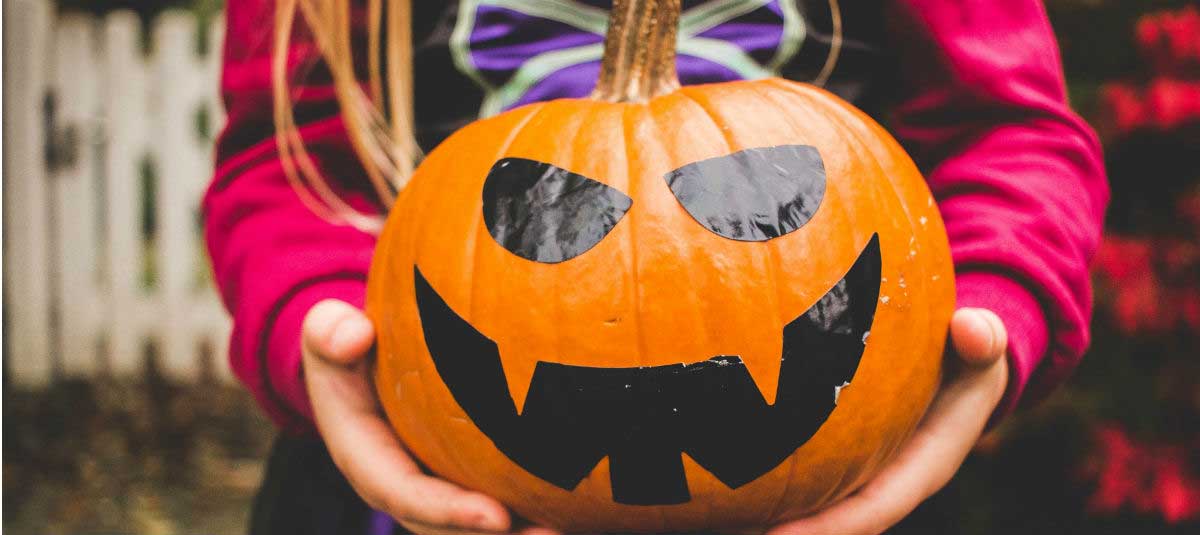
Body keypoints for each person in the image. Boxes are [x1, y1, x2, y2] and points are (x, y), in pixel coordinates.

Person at [204, 1, 1108, 534]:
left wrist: (995, 305)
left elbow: (1010, 129)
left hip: (846, 486)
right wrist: (317, 328)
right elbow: (287, 163)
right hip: (404, 483)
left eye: (759, 201)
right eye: (545, 216)